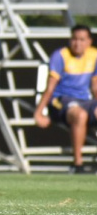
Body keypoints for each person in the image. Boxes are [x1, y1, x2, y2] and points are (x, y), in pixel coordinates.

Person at [33, 24, 97, 173]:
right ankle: (78, 164)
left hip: (85, 100)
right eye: (74, 39)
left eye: (82, 40)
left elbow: (95, 85)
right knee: (79, 114)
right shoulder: (61, 55)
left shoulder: (94, 55)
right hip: (62, 100)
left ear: (89, 41)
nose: (78, 43)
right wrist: (39, 112)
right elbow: (50, 87)